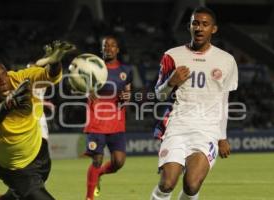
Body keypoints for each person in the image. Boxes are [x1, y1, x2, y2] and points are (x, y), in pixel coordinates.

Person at [150, 6, 238, 200]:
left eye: (205, 24)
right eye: (195, 23)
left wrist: (222, 137)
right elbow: (159, 94)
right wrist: (170, 82)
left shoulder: (226, 60)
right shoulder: (172, 55)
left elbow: (224, 101)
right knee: (167, 183)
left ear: (213, 29)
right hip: (177, 126)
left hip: (207, 130)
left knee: (191, 185)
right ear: (189, 26)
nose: (199, 28)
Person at [0, 41, 75, 200]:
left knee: (21, 194)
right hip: (17, 170)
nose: (3, 80)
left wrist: (55, 63)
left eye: (3, 73)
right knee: (29, 191)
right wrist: (8, 106)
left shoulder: (16, 78)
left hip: (40, 154)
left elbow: (49, 76)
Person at [84, 35, 132, 200]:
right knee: (97, 160)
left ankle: (99, 175)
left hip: (116, 121)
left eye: (112, 46)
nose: (109, 48)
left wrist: (127, 97)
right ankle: (89, 198)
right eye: (105, 46)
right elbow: (80, 88)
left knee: (118, 162)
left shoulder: (126, 71)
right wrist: (87, 90)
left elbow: (129, 93)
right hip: (96, 121)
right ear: (101, 49)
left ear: (117, 50)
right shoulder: (93, 69)